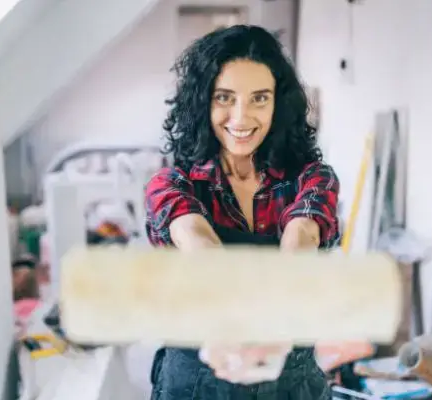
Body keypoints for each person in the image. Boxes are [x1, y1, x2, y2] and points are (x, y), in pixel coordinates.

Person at [145, 24, 340, 400]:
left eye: (259, 98)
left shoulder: (312, 180)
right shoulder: (170, 184)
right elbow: (197, 239)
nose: (241, 117)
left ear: (278, 103)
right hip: (195, 385)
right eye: (224, 97)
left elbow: (302, 236)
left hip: (291, 385)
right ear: (203, 101)